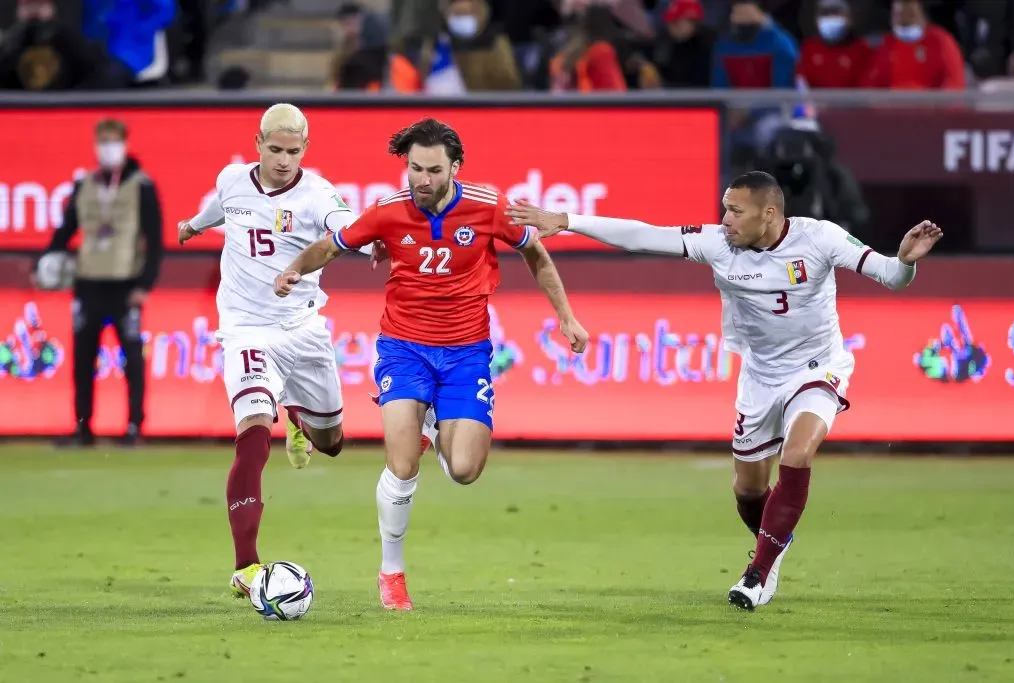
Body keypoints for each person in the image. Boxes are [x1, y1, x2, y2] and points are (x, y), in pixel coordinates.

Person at [505, 171, 943, 612]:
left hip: (817, 367)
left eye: (735, 210)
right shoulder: (717, 244)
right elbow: (642, 235)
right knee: (748, 491)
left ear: (768, 214)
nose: (725, 219)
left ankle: (757, 573)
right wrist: (566, 219)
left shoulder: (820, 238)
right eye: (725, 208)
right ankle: (774, 541)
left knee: (797, 455)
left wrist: (905, 260)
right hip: (759, 376)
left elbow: (891, 275)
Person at [274, 118, 589, 611]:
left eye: (433, 170)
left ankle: (438, 422)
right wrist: (293, 269)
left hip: (467, 352)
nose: (421, 179)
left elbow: (537, 255)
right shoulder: (387, 211)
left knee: (464, 470)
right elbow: (333, 245)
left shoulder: (489, 206)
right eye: (415, 168)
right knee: (400, 464)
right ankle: (391, 573)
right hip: (405, 347)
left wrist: (567, 319)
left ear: (455, 168)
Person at [175, 103, 429, 599]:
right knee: (250, 433)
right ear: (258, 143)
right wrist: (192, 224)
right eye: (275, 149)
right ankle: (245, 567)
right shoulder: (232, 179)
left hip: (304, 331)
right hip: (246, 330)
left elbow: (345, 222)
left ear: (305, 150)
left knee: (332, 443)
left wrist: (372, 242)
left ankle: (296, 415)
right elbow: (216, 208)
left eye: (293, 151)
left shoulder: (316, 194)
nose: (284, 160)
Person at [36, 118, 163, 448]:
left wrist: (144, 286)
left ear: (124, 142)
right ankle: (83, 428)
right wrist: (46, 261)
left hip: (125, 282)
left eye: (113, 141)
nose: (108, 148)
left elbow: (156, 240)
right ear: (95, 145)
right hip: (88, 282)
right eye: (103, 141)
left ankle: (134, 427)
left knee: (132, 359)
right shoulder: (85, 185)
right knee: (82, 359)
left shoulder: (142, 185)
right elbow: (66, 230)